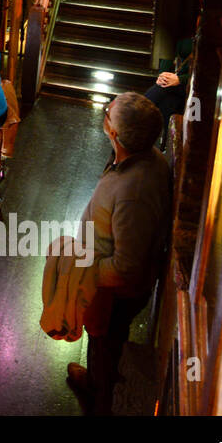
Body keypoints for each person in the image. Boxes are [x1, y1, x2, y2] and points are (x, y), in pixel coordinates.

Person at [66, 93, 172, 415]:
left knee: (104, 342)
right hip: (109, 282)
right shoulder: (144, 157)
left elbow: (126, 266)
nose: (105, 114)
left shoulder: (133, 193)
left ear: (114, 133)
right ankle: (100, 378)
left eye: (108, 113)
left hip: (114, 292)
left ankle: (99, 399)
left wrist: (84, 274)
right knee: (105, 341)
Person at [143, 36, 194, 133]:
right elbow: (168, 52)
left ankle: (130, 119)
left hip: (195, 86)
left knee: (160, 92)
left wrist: (180, 79)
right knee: (168, 103)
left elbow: (208, 73)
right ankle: (165, 144)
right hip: (177, 85)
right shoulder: (181, 26)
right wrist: (163, 75)